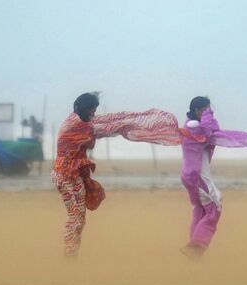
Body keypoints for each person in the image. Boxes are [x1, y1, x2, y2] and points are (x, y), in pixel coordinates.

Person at [52, 92, 182, 257]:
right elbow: (103, 127)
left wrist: (129, 121)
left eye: (94, 110)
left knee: (79, 216)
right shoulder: (76, 124)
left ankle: (71, 253)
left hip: (73, 172)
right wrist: (132, 123)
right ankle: (69, 255)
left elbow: (104, 123)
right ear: (82, 108)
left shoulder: (80, 121)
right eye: (91, 110)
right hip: (65, 174)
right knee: (75, 216)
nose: (93, 113)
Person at [179, 96, 247, 258]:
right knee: (215, 208)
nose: (209, 113)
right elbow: (206, 132)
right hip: (197, 176)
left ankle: (193, 249)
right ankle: (196, 247)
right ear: (197, 111)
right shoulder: (195, 127)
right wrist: (208, 118)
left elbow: (218, 134)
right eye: (206, 110)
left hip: (189, 175)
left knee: (199, 210)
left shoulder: (190, 126)